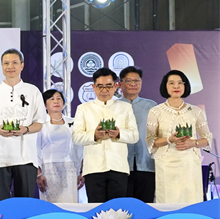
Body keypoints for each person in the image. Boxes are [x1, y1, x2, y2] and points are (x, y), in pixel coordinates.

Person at [0, 49, 46, 201]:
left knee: (25, 203)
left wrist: (25, 129)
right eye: (6, 63)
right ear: (2, 66)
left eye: (14, 63)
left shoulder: (33, 91)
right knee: (1, 203)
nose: (10, 66)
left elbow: (39, 123)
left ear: (22, 66)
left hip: (26, 158)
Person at [72, 68, 139, 203]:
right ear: (94, 87)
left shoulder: (125, 107)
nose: (104, 90)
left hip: (118, 167)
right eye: (100, 86)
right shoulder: (83, 108)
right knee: (96, 209)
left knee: (118, 209)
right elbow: (76, 137)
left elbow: (134, 136)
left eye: (108, 86)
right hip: (93, 168)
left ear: (115, 86)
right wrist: (94, 135)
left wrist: (119, 133)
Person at [145, 70, 213, 204]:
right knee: (167, 200)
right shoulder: (156, 111)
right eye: (171, 83)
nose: (176, 86)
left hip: (190, 163)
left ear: (185, 86)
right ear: (165, 86)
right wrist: (169, 140)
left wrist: (193, 143)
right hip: (166, 163)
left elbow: (207, 138)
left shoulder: (195, 111)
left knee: (191, 200)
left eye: (180, 83)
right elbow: (150, 140)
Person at [36, 89, 83, 203]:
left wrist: (82, 171)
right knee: (50, 205)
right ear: (45, 105)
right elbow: (35, 149)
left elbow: (81, 148)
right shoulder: (40, 125)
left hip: (70, 168)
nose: (56, 101)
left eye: (59, 98)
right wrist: (38, 174)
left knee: (70, 204)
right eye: (51, 99)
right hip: (48, 169)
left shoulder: (73, 122)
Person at [118, 66, 157, 203]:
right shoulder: (114, 106)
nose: (133, 84)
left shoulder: (152, 106)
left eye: (136, 81)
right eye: (128, 81)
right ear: (120, 84)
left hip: (147, 164)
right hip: (120, 166)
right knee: (123, 208)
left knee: (146, 206)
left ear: (141, 83)